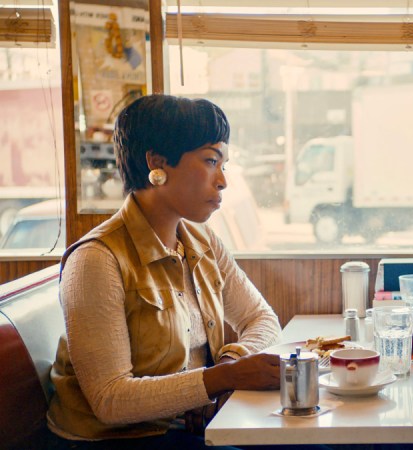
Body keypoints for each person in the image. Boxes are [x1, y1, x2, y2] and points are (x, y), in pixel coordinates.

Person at [47, 95, 287, 449]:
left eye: (224, 165)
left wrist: (230, 363)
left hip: (185, 428)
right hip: (114, 440)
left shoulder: (201, 240)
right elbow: (110, 400)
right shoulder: (96, 260)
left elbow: (263, 319)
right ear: (158, 164)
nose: (222, 181)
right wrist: (217, 381)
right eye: (210, 161)